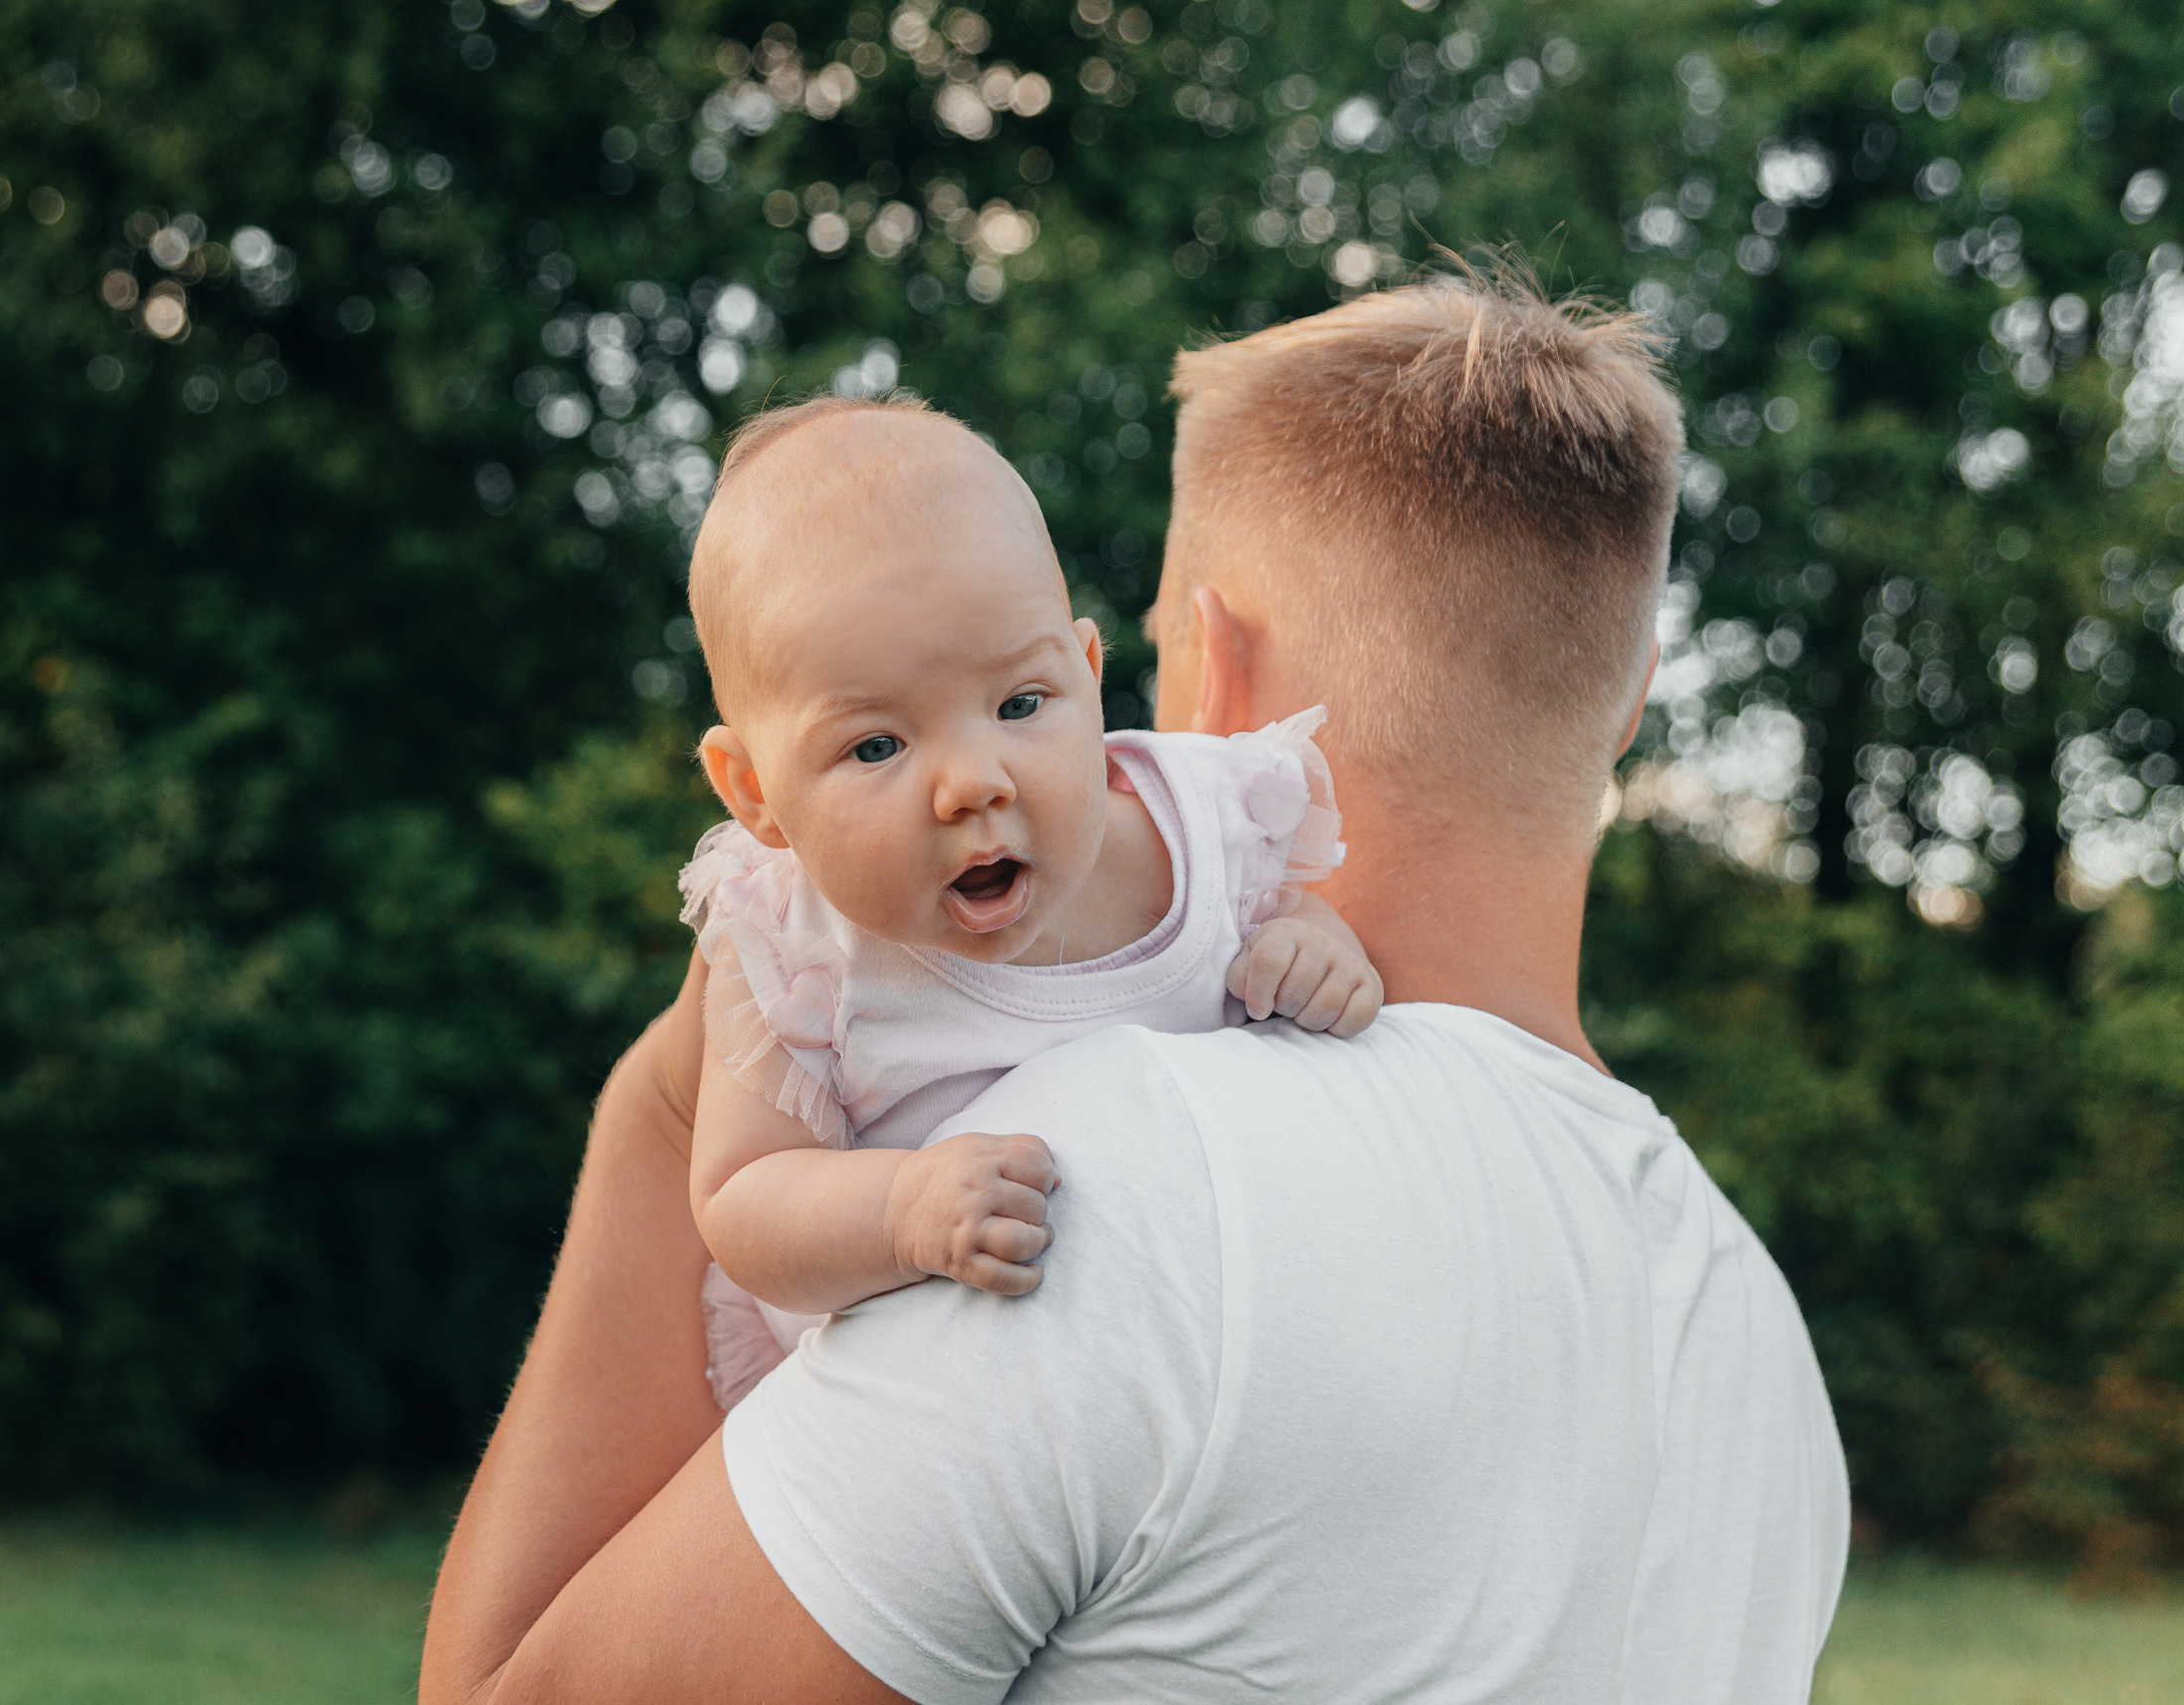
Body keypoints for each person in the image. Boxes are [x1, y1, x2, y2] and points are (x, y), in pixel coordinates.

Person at [420, 277, 1849, 1705]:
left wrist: (671, 1096)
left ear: (1207, 670)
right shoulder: (1759, 1347)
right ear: (1632, 691)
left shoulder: (1110, 1185)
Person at [675, 394, 1376, 1408]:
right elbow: (743, 1203)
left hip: (1206, 1362)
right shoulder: (794, 947)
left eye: (1019, 705)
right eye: (875, 745)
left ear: (1089, 680)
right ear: (754, 795)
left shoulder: (1211, 828)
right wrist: (901, 1209)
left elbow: (1283, 919)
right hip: (914, 1413)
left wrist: (1317, 944)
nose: (973, 783)